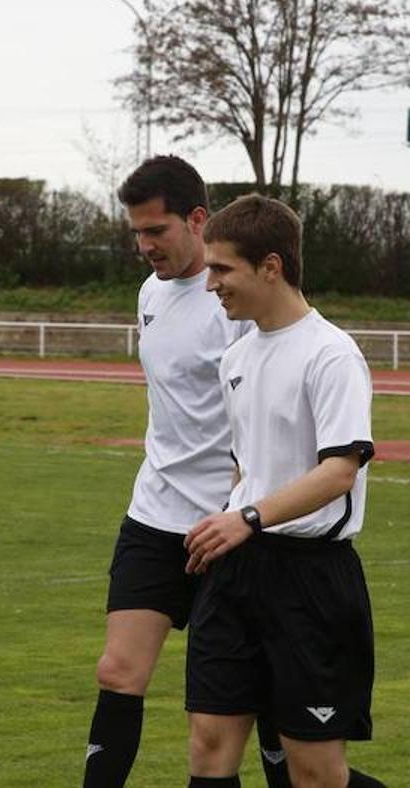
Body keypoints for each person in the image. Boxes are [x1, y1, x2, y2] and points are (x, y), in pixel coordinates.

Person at [82, 157, 291, 788]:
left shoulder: (239, 303)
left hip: (230, 527)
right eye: (137, 234)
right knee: (118, 672)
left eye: (158, 231)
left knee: (259, 708)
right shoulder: (149, 293)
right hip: (154, 514)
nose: (145, 247)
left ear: (198, 221)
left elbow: (261, 411)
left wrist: (243, 504)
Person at [183, 194, 384, 788]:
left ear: (271, 266)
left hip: (311, 581)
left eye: (222, 269)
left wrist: (247, 516)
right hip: (236, 571)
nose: (211, 284)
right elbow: (247, 464)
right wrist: (232, 518)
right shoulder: (236, 356)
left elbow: (339, 471)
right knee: (210, 745)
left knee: (315, 771)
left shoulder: (332, 354)